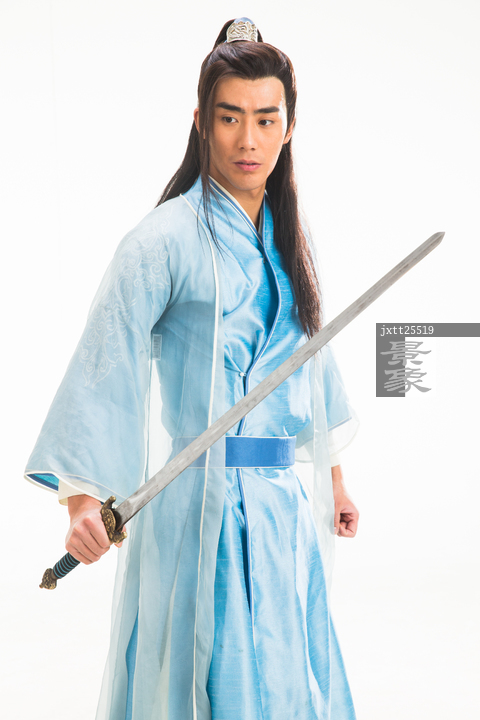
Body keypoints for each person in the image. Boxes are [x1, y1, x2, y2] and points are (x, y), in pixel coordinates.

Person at [25, 17, 360, 720]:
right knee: (202, 681)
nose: (248, 140)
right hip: (194, 505)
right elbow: (104, 361)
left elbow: (310, 362)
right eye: (230, 117)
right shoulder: (162, 239)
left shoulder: (294, 241)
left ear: (288, 127)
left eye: (266, 119)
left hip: (278, 507)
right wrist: (83, 502)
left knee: (284, 674)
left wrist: (332, 479)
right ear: (202, 122)